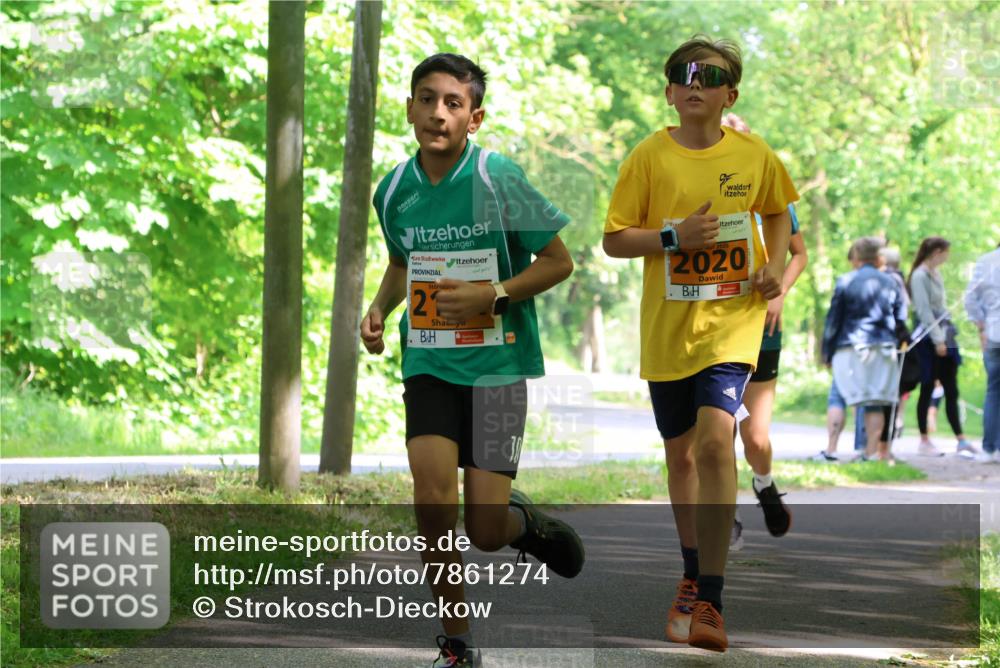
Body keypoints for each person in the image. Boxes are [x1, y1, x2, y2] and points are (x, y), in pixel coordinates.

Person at [361, 53, 584, 668]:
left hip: (498, 369)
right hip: (429, 363)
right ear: (409, 108)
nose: (438, 112)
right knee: (432, 499)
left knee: (484, 532)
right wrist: (380, 310)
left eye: (453, 103)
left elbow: (559, 261)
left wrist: (493, 293)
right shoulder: (394, 191)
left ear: (474, 117)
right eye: (427, 99)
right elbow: (403, 264)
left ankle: (526, 527)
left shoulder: (496, 177)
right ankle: (457, 644)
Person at [603, 36, 797, 652]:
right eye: (682, 74)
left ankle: (711, 599)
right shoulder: (648, 157)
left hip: (732, 322)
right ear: (668, 90)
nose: (694, 82)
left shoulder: (755, 155)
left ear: (728, 93)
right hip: (668, 328)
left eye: (708, 75)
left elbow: (778, 218)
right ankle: (689, 571)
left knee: (718, 438)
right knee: (681, 456)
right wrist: (672, 236)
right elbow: (614, 240)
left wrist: (771, 276)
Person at [720, 114, 807, 549]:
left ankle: (764, 482)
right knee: (718, 435)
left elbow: (799, 254)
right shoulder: (702, 188)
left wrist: (779, 292)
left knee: (754, 437)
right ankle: (725, 518)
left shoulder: (771, 190)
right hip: (717, 326)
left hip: (764, 328)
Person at [822, 237, 908, 462]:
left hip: (849, 346)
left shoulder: (845, 281)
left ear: (857, 257)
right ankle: (870, 453)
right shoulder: (890, 282)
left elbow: (834, 320)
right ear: (879, 258)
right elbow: (900, 318)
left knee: (838, 396)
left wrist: (827, 351)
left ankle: (831, 450)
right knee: (875, 401)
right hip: (881, 347)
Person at [908, 236, 976, 458]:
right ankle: (924, 439)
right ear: (936, 252)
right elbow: (924, 310)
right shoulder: (919, 276)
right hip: (930, 338)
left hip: (946, 334)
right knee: (928, 386)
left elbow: (940, 307)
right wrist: (937, 340)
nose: (947, 256)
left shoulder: (936, 275)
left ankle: (961, 439)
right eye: (945, 252)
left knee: (951, 387)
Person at [965, 242, 1000, 463]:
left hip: (993, 333)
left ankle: (989, 449)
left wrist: (981, 326)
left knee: (994, 391)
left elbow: (970, 298)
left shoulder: (986, 261)